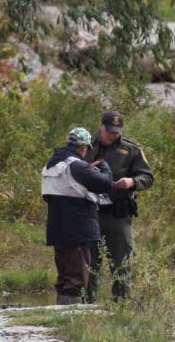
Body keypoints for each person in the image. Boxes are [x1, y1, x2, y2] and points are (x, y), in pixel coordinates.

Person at [85, 110, 154, 301]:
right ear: (101, 127)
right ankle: (87, 306)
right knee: (89, 263)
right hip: (91, 212)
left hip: (118, 214)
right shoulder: (86, 146)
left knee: (121, 262)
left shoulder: (132, 150)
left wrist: (132, 182)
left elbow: (147, 177)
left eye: (116, 132)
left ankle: (121, 306)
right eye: (109, 131)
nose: (112, 135)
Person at [41, 127, 113, 305]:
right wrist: (104, 168)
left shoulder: (51, 165)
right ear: (83, 147)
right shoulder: (77, 165)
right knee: (76, 279)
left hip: (57, 230)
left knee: (64, 277)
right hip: (78, 231)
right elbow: (104, 184)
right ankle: (69, 319)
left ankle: (60, 314)